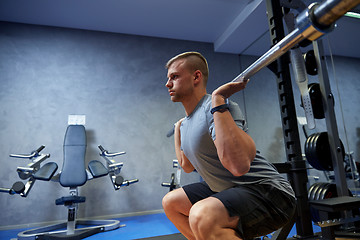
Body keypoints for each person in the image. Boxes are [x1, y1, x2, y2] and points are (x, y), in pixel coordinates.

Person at [162, 51, 296, 240]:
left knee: (202, 215)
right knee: (171, 202)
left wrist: (218, 99)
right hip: (230, 189)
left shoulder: (217, 107)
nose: (168, 84)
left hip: (269, 192)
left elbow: (238, 166)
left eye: (174, 77)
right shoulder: (186, 123)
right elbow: (187, 165)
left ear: (196, 77)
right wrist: (179, 130)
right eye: (168, 78)